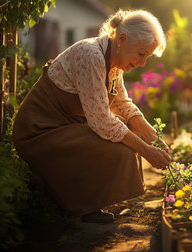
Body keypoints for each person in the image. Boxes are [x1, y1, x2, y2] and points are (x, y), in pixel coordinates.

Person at [12, 9, 171, 223]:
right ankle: (84, 206)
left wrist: (151, 136)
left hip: (64, 127)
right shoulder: (91, 55)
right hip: (38, 131)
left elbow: (123, 104)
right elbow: (102, 121)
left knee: (124, 142)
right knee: (122, 149)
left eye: (147, 57)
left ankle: (88, 202)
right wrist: (146, 151)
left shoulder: (114, 63)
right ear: (122, 39)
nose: (142, 63)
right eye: (141, 54)